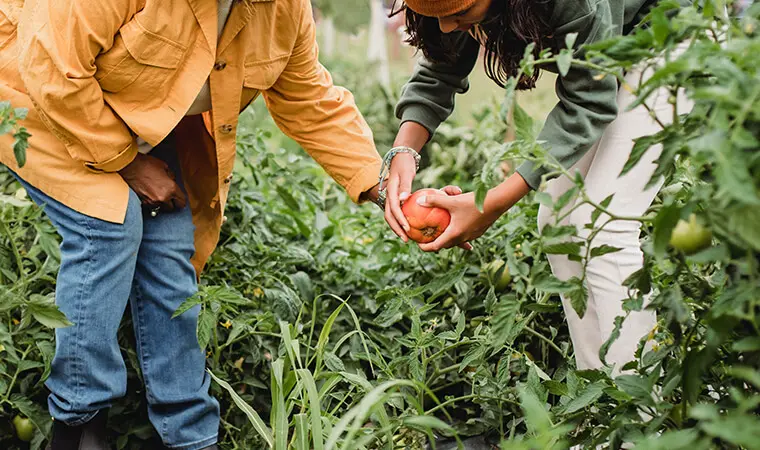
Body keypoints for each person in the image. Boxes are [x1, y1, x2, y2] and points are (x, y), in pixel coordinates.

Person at [0, 0, 416, 448]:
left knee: (171, 244)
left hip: (130, 116)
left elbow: (309, 98)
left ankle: (189, 436)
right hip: (34, 95)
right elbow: (52, 69)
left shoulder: (282, 9)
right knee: (109, 224)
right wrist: (130, 165)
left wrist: (383, 188)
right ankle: (79, 428)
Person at [386, 0, 692, 373]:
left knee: (603, 225)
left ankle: (641, 412)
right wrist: (404, 151)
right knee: (559, 223)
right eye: (438, 16)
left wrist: (493, 202)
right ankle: (602, 395)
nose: (448, 27)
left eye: (459, 14)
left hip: (666, 37)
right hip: (610, 51)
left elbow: (587, 101)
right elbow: (441, 65)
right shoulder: (454, 9)